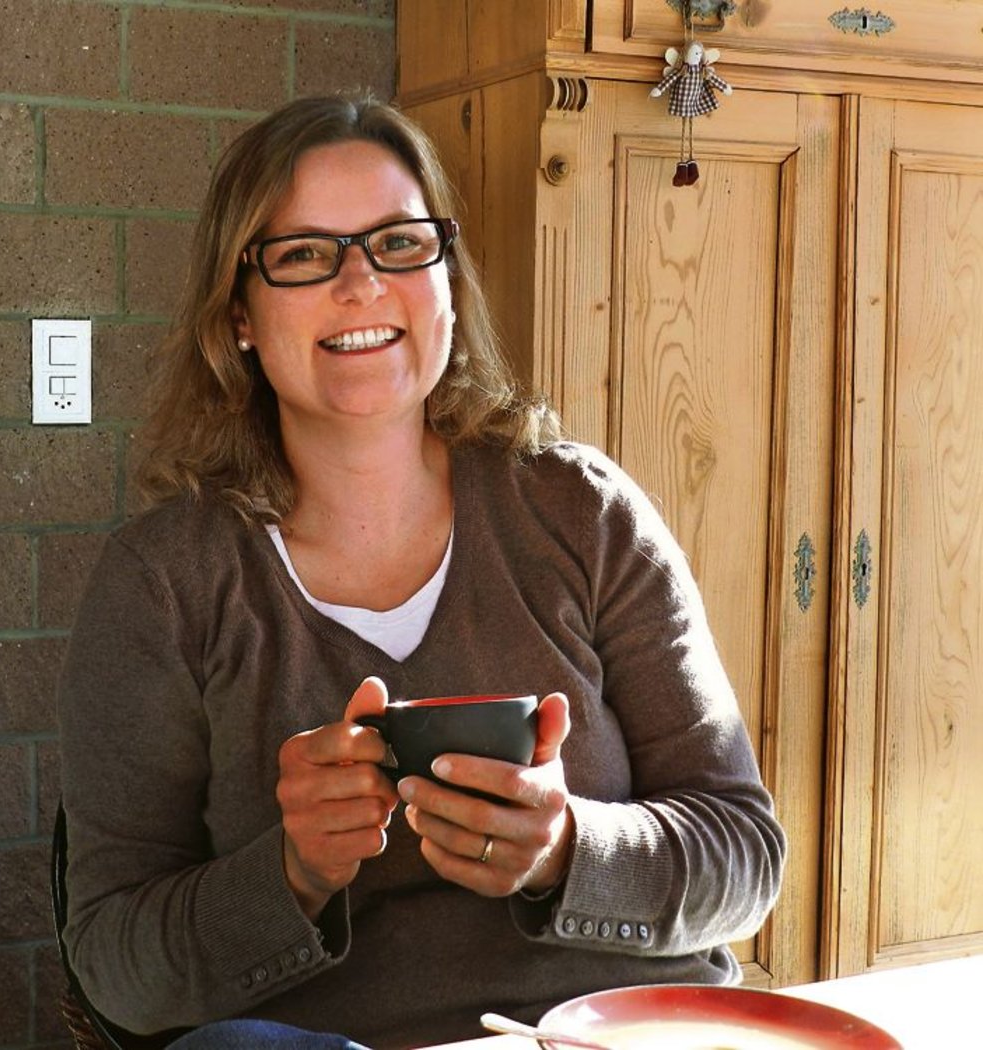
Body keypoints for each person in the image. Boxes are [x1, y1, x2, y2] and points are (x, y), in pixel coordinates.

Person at [56, 93, 786, 1050]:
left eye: (399, 242)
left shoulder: (583, 512)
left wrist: (569, 849)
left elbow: (746, 854)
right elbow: (114, 962)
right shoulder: (163, 582)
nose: (361, 285)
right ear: (238, 313)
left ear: (445, 280)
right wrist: (295, 874)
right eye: (306, 254)